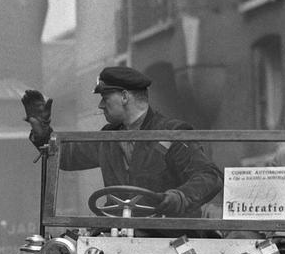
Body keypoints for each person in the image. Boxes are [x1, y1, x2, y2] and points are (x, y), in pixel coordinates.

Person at [23, 66, 223, 218]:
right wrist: (43, 134)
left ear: (125, 97)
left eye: (105, 97)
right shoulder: (108, 138)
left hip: (168, 237)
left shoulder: (172, 133)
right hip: (118, 236)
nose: (101, 105)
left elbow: (209, 176)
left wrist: (178, 197)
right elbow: (67, 158)